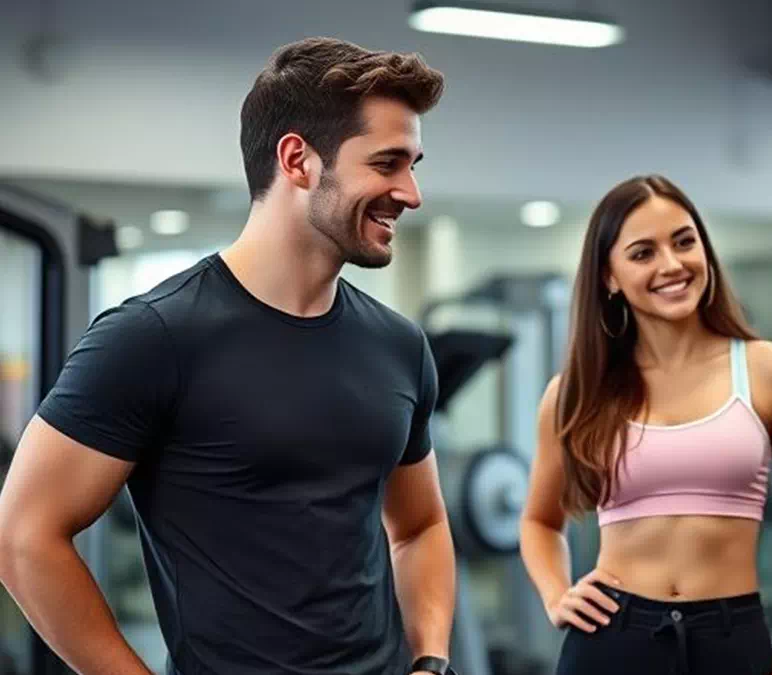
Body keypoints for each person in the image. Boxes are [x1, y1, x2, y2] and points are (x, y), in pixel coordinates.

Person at [0, 37, 460, 675]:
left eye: (413, 165)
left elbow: (419, 527)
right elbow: (24, 537)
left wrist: (430, 660)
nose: (410, 193)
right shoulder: (154, 336)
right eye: (387, 164)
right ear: (298, 160)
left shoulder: (398, 345)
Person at [519, 174, 772, 675]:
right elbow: (539, 522)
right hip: (611, 638)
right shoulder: (575, 393)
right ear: (609, 276)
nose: (672, 265)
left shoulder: (771, 371)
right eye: (643, 253)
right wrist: (557, 595)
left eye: (684, 242)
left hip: (731, 636)